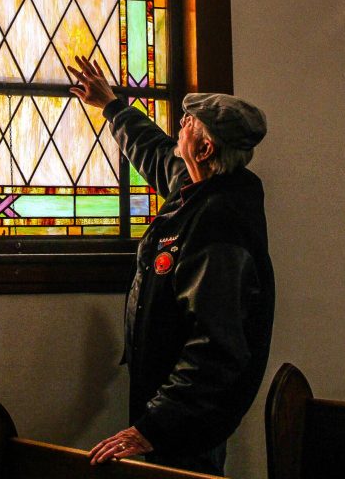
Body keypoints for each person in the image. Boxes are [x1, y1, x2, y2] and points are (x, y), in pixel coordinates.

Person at [68, 56, 275, 476]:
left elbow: (216, 345)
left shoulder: (221, 221)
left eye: (188, 123)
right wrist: (111, 105)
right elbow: (156, 152)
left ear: (205, 147)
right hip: (171, 405)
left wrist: (155, 426)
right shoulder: (198, 184)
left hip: (190, 416)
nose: (179, 126)